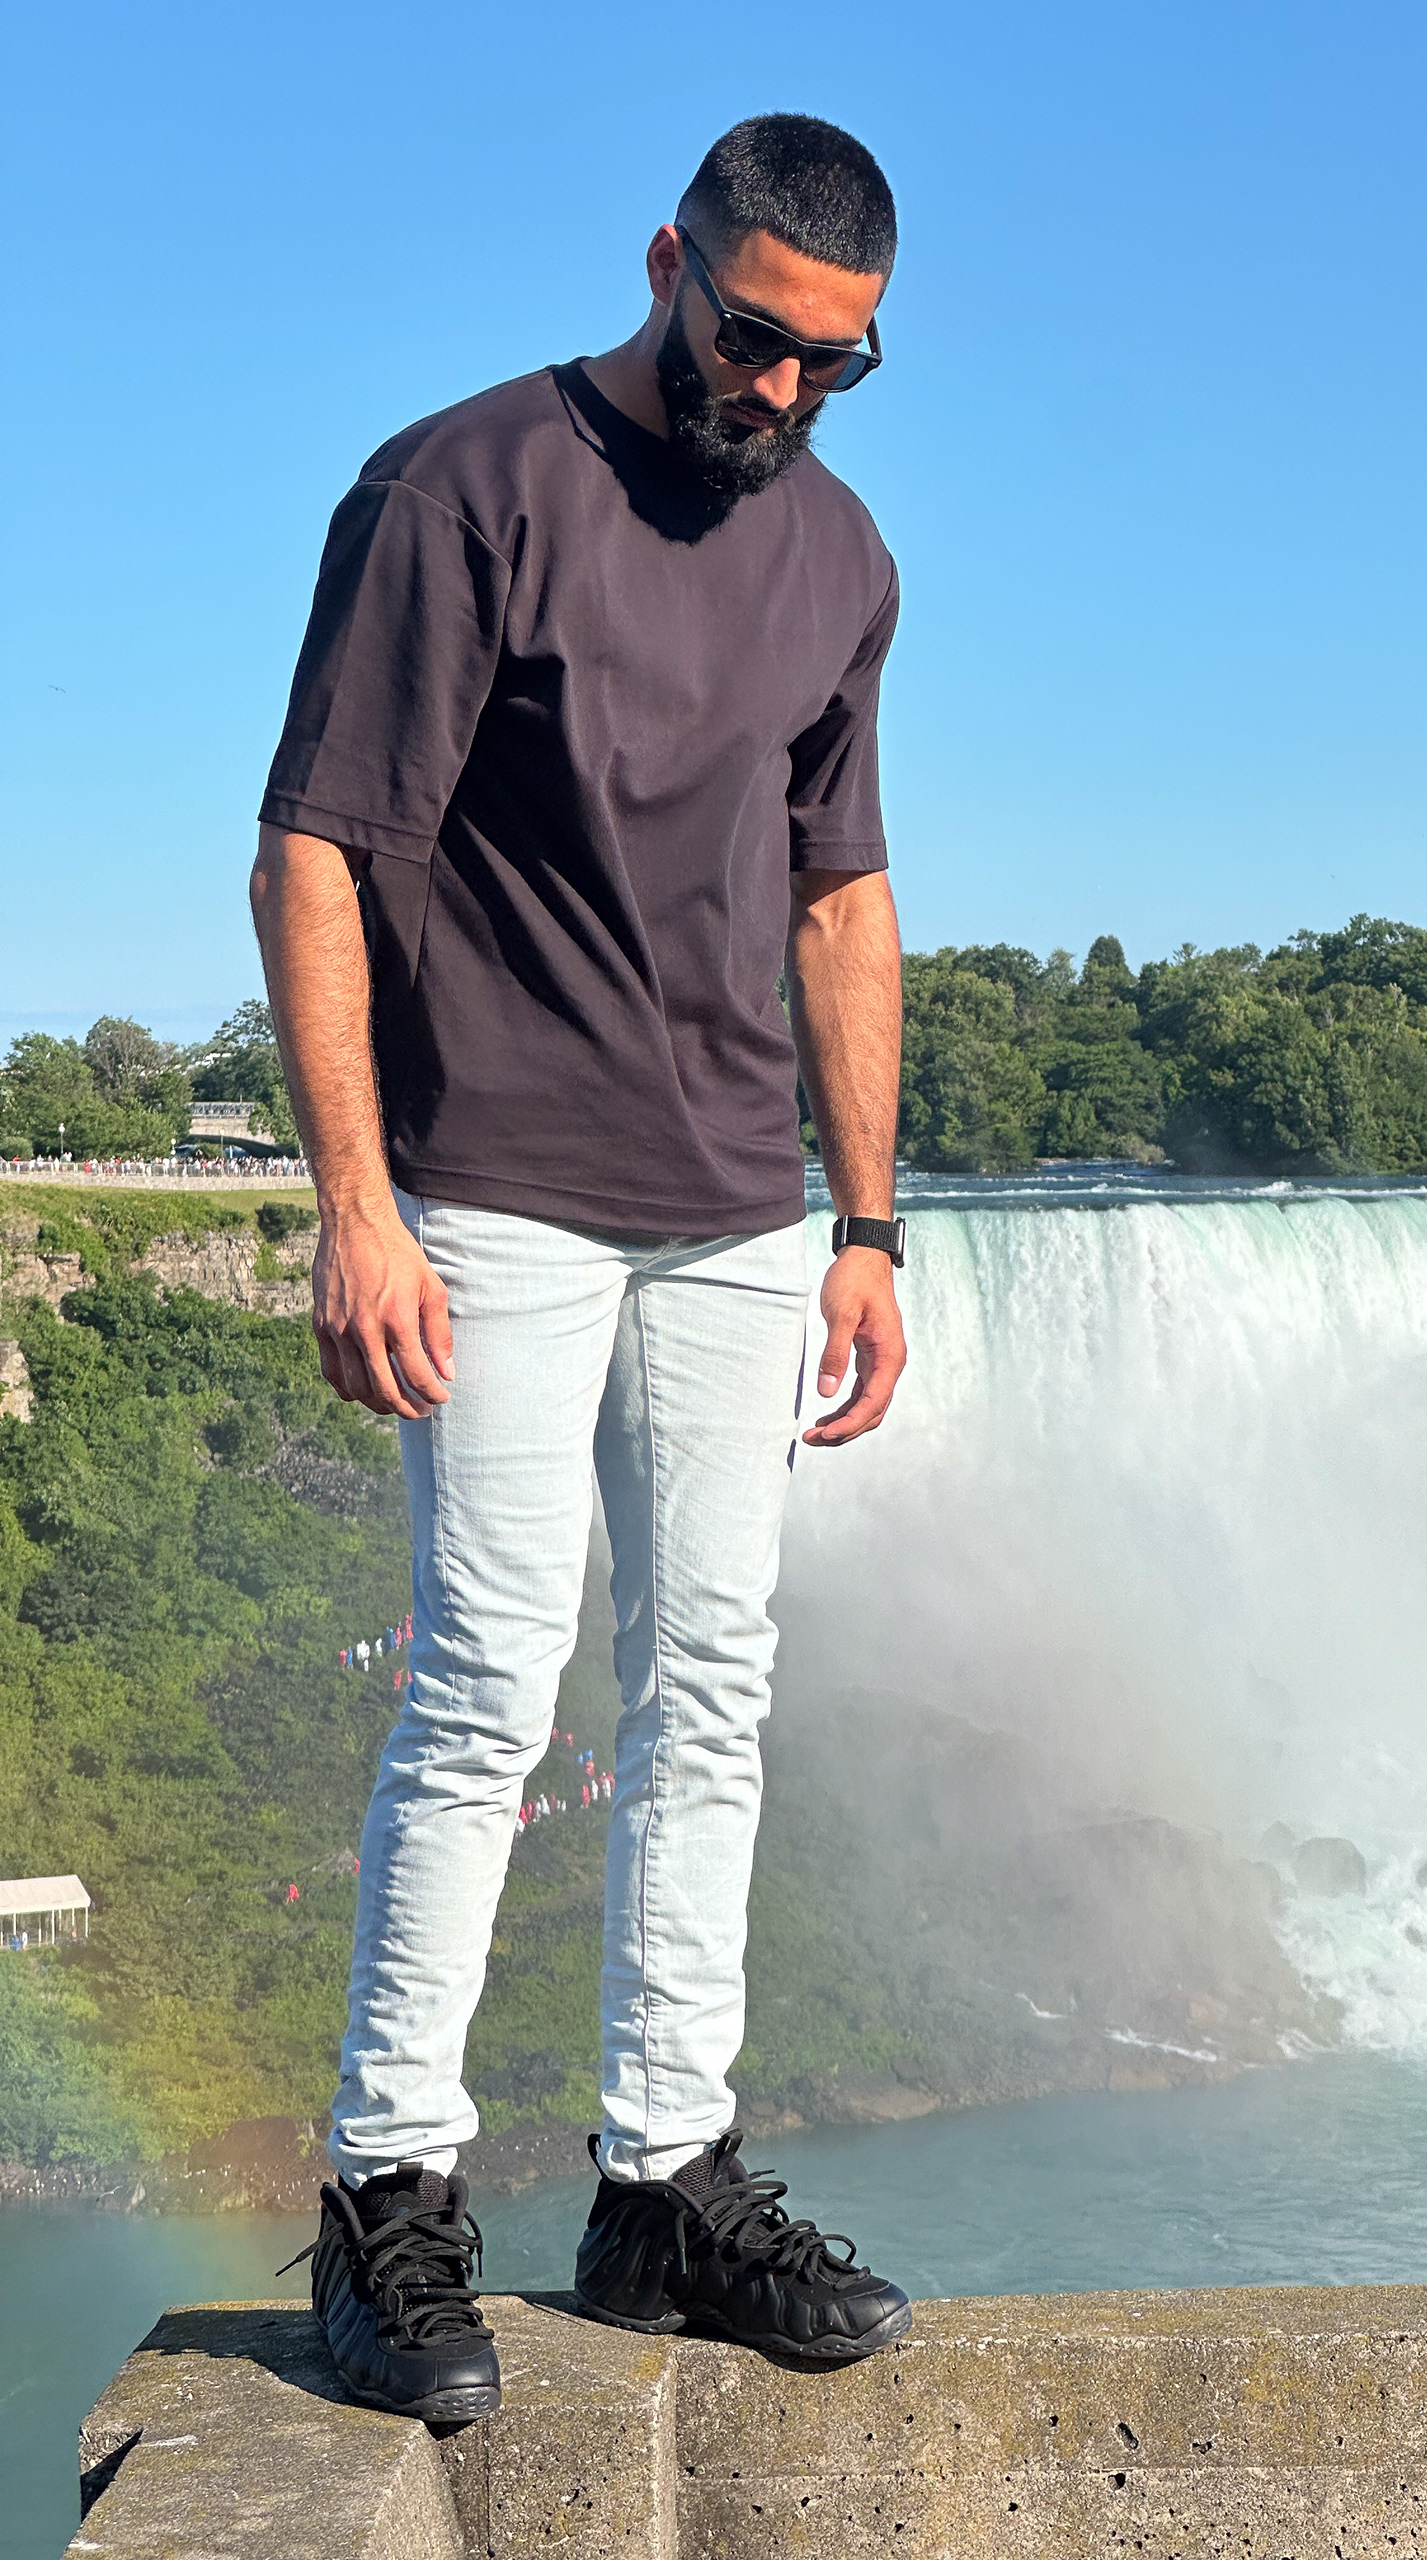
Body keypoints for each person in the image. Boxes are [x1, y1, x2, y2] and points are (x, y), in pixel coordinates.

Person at [254, 117, 911, 2423]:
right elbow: (321, 845)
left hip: (742, 1208)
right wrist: (355, 1201)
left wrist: (870, 1219)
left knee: (711, 1683)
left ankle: (662, 2185)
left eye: (837, 364)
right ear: (665, 268)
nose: (784, 397)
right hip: (504, 1187)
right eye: (752, 341)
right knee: (491, 1692)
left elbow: (842, 890)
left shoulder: (840, 554)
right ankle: (386, 2190)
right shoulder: (461, 489)